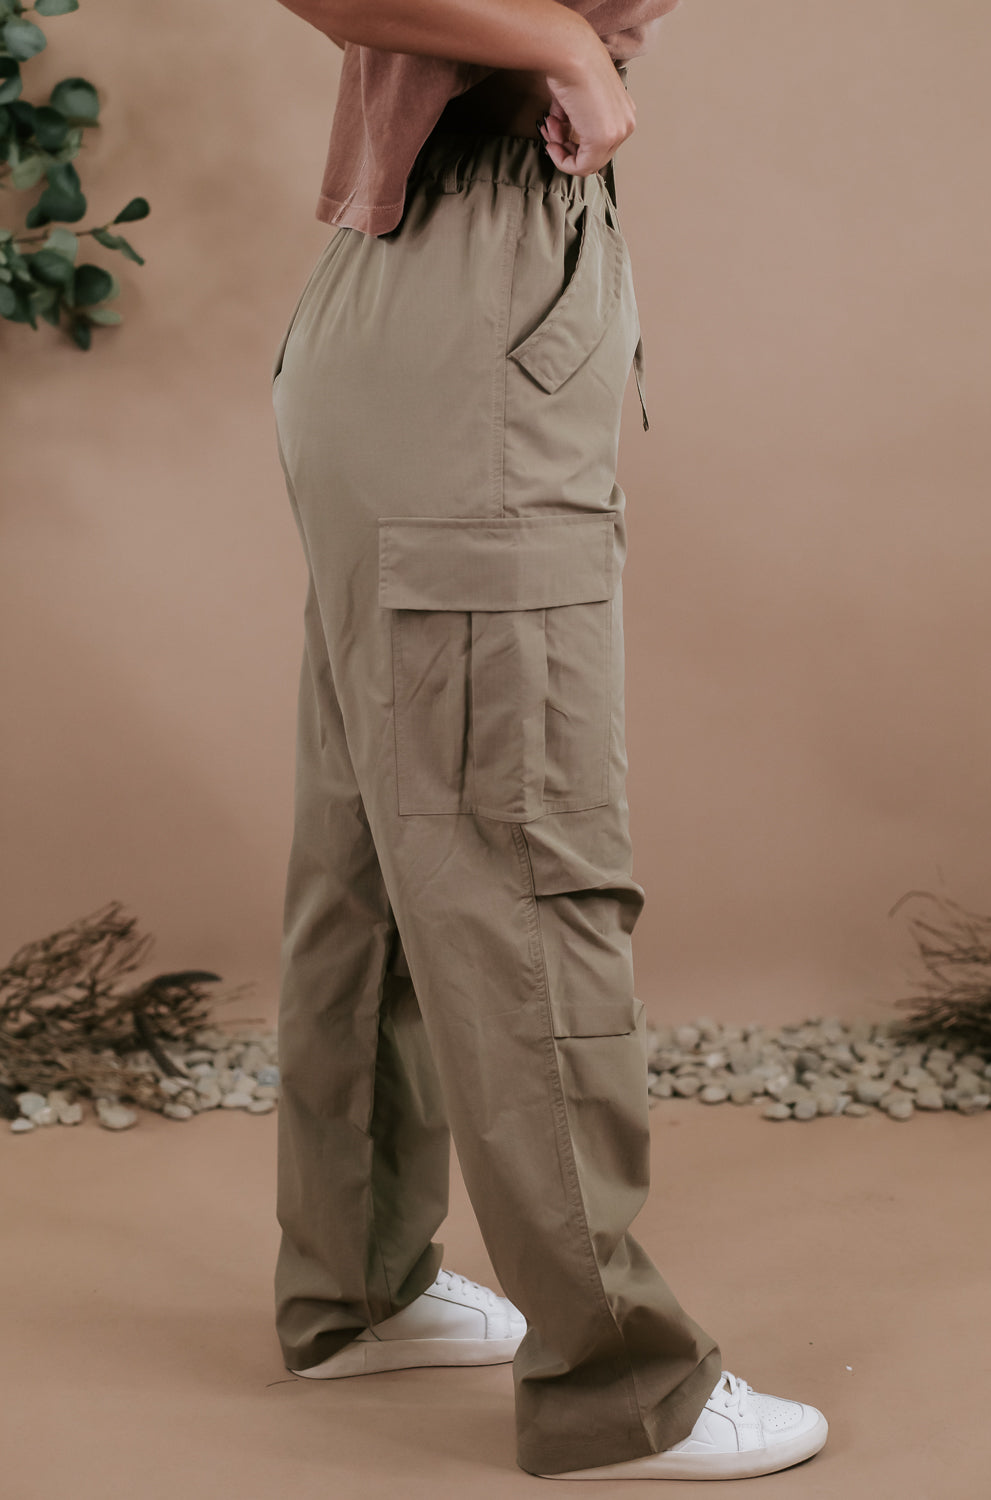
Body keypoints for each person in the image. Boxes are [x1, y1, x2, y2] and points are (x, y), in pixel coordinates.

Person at [269, 0, 829, 1481]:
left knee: (378, 843)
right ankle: (619, 1388)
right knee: (519, 859)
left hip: (413, 289)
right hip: (469, 290)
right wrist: (567, 50)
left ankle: (358, 1288)